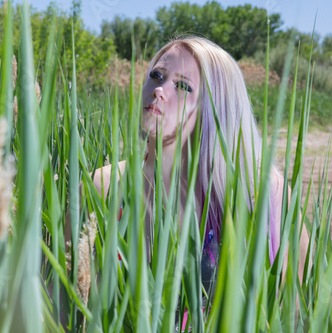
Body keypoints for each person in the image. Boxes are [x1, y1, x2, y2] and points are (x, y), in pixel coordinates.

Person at [89, 36, 309, 295]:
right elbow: (64, 304)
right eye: (157, 76)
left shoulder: (265, 193)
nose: (160, 90)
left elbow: (294, 304)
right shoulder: (103, 185)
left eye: (183, 86)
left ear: (216, 107)